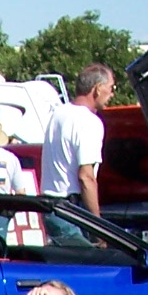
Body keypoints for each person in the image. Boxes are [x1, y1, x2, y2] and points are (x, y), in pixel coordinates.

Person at [43, 64, 114, 215]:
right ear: (98, 89)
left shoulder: (57, 114)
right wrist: (96, 223)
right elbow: (85, 177)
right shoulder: (89, 121)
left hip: (50, 207)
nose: (112, 94)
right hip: (72, 208)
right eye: (111, 87)